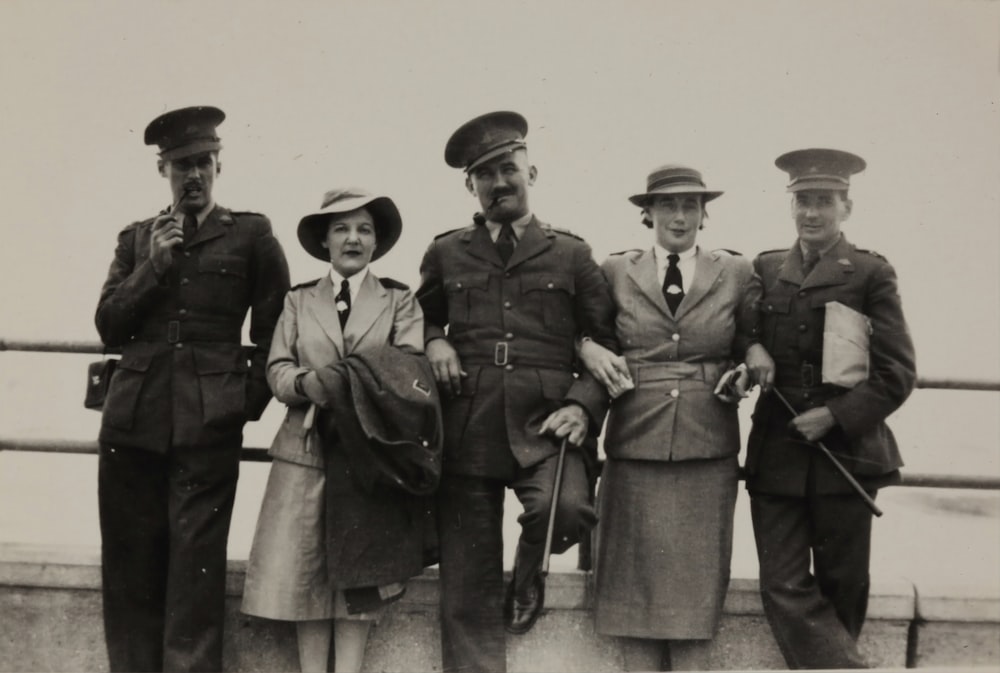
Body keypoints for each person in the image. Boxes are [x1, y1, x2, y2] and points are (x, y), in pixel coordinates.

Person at [416, 111, 617, 673]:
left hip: (546, 422)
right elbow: (420, 319)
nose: (499, 183)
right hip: (468, 422)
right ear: (470, 185)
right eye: (485, 175)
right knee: (466, 577)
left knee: (567, 508)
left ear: (533, 171)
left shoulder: (572, 254)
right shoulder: (447, 251)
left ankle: (530, 577)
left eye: (509, 169)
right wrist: (434, 341)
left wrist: (582, 405)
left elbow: (605, 339)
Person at [94, 106, 290, 672]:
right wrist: (153, 265)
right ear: (164, 171)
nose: (193, 176)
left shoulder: (252, 234)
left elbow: (275, 332)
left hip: (208, 430)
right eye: (181, 166)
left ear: (219, 164)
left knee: (195, 578)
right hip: (132, 425)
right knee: (130, 573)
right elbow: (109, 326)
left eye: (203, 162)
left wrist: (239, 406)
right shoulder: (136, 239)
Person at [576, 165, 774, 671]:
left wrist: (746, 367)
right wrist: (588, 349)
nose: (679, 216)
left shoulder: (736, 271)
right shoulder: (616, 270)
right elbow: (586, 332)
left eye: (690, 205)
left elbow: (749, 340)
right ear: (648, 213)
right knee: (630, 590)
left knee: (696, 593)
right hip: (634, 442)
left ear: (705, 214)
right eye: (667, 205)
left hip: (705, 446)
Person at [242, 188, 437, 673]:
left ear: (376, 244)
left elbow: (408, 368)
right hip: (304, 449)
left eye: (364, 229)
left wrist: (346, 383)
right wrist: (310, 384)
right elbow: (278, 368)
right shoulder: (299, 300)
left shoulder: (398, 300)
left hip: (369, 450)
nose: (353, 238)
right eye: (341, 228)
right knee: (304, 573)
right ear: (324, 241)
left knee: (361, 573)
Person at [744, 148, 916, 669]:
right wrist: (749, 347)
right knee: (781, 584)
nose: (811, 213)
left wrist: (836, 416)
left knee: (843, 586)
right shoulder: (768, 267)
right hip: (778, 453)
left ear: (847, 207)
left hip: (847, 457)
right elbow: (741, 326)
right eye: (802, 201)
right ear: (789, 204)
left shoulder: (870, 273)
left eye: (824, 201)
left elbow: (897, 373)